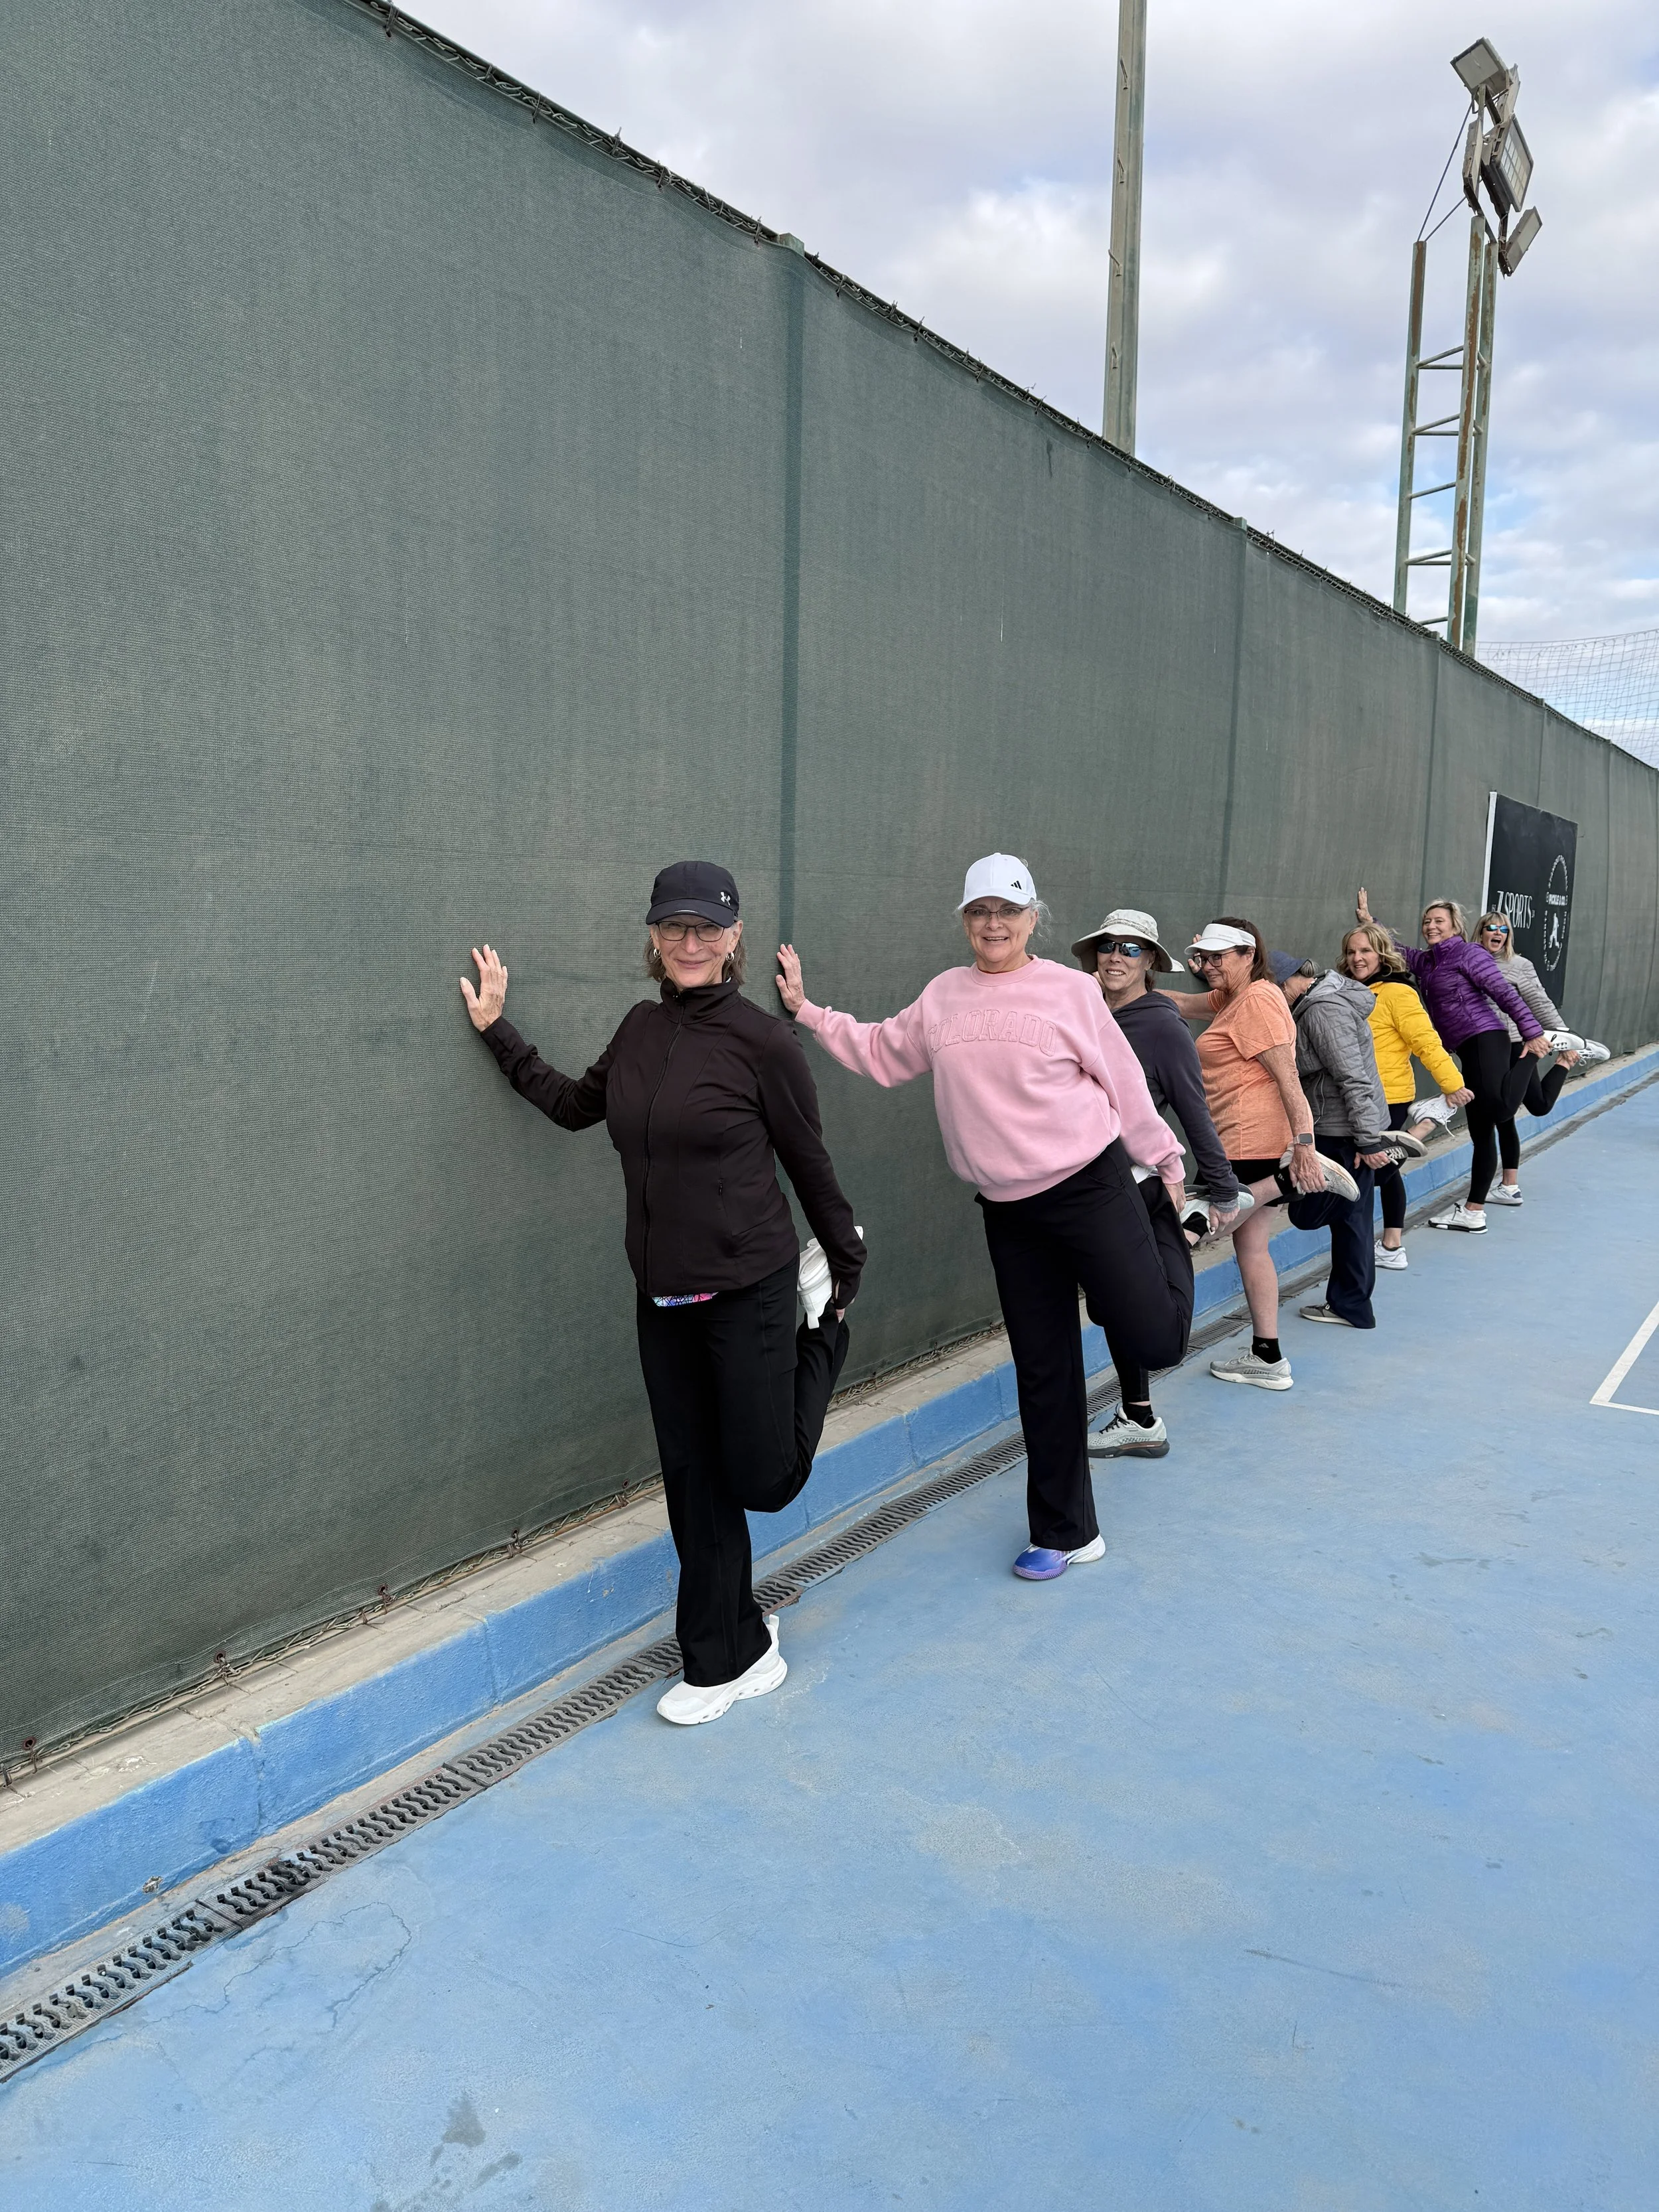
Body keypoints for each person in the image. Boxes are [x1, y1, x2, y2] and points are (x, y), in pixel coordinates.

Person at [460, 860, 866, 1728]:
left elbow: (808, 1160)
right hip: (664, 1298)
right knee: (695, 1484)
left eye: (708, 929)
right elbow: (575, 1106)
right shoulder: (642, 1028)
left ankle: (823, 1340)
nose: (690, 942)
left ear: (734, 939)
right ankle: (728, 1655)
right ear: (653, 936)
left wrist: (842, 1271)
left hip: (750, 1291)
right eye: (675, 927)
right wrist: (500, 1032)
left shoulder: (762, 1043)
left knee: (763, 1477)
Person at [776, 854, 1192, 1581]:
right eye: (979, 912)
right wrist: (810, 1013)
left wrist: (1163, 1160)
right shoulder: (942, 997)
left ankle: (1162, 1218)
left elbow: (1123, 1081)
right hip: (1009, 1211)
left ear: (1033, 917)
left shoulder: (1070, 990)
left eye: (1007, 910)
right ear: (965, 921)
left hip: (1094, 1188)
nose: (993, 924)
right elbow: (881, 1052)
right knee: (1044, 1372)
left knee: (1155, 1342)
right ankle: (1065, 1531)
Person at [1070, 906, 1252, 1459]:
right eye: (1108, 946)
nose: (1115, 957)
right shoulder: (1081, 1011)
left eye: (1130, 949)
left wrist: (1220, 1188)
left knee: (1146, 1313)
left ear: (1150, 961)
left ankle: (1194, 1223)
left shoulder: (1162, 1024)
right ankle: (1139, 1415)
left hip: (1136, 1187)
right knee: (1109, 1306)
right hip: (1081, 1187)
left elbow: (1193, 1110)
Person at [1167, 919, 1357, 1392]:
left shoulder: (1258, 1000)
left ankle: (1287, 1181)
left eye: (1220, 957)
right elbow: (1181, 1003)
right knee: (1251, 1248)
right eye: (1205, 958)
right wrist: (1114, 988)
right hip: (1237, 1139)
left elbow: (1288, 1077)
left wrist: (1305, 1145)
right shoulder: (1231, 997)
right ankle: (1268, 1355)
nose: (1210, 966)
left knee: (1201, 1227)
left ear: (1249, 956)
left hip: (1248, 1142)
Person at [1354, 890, 1550, 1235]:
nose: (1431, 926)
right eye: (1427, 922)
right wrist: (1372, 924)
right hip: (1464, 1046)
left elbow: (1503, 993)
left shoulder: (1469, 952)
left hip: (1485, 1037)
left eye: (1439, 921)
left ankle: (1534, 1055)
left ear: (1456, 926)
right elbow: (1398, 951)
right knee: (1481, 1131)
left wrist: (1531, 1033)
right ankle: (1474, 1210)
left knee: (1502, 1109)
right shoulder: (1428, 961)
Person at [1267, 952, 1424, 1331]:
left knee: (1311, 1213)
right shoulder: (1319, 1002)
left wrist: (1367, 1142)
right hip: (1344, 1127)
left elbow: (1354, 1078)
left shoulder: (1323, 1011)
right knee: (1351, 1218)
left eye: (1273, 989)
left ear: (1290, 982)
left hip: (1341, 1131)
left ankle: (1352, 1304)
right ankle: (1351, 1305)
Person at [1338, 923, 1473, 1272]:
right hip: (1354, 1098)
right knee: (1384, 1172)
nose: (1357, 958)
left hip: (1388, 1099)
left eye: (1365, 951)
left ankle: (1421, 1131)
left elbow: (1426, 1042)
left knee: (1374, 1173)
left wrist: (1451, 1084)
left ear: (1382, 954)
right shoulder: (1346, 989)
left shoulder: (1398, 994)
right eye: (1352, 952)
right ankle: (1392, 1245)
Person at [1473, 910, 1609, 1205]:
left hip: (1513, 1046)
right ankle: (1509, 1187)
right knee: (1514, 1115)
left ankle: (1566, 1052)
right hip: (1485, 1050)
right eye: (1491, 928)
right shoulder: (1468, 963)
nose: (1497, 933)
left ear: (1508, 936)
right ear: (1480, 932)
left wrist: (1563, 1038)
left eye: (1503, 929)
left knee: (1532, 1108)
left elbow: (1540, 1002)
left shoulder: (1519, 966)